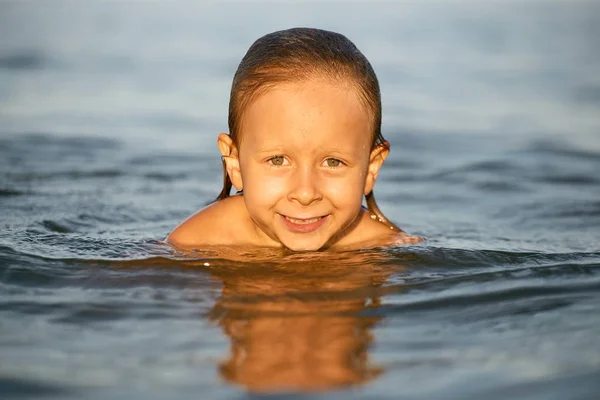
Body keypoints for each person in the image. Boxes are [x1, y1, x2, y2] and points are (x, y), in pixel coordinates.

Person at [167, 27, 422, 252]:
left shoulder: (383, 248)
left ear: (371, 168)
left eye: (333, 162)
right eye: (277, 160)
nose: (305, 193)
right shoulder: (199, 242)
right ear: (234, 163)